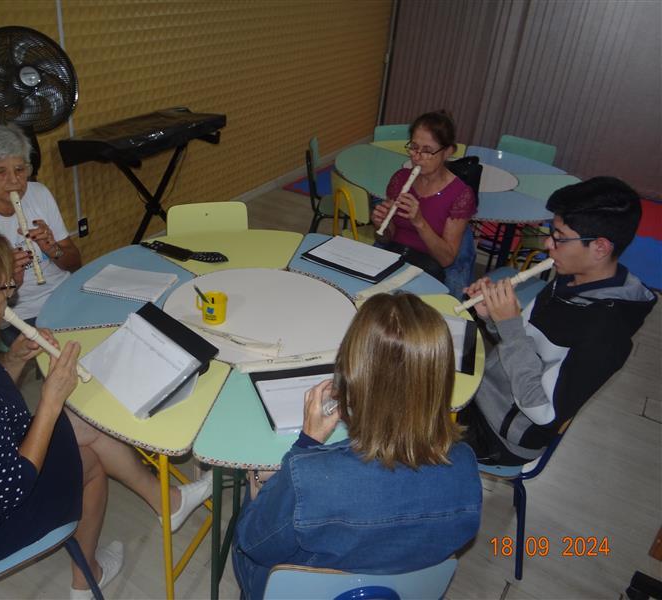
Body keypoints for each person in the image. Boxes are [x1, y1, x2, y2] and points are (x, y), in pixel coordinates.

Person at [0, 230, 213, 599]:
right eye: (2, 287)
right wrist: (51, 401)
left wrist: (14, 360)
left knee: (85, 423)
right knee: (90, 464)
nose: (10, 293)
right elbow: (14, 485)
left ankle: (168, 503)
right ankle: (86, 578)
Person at [232, 293, 482, 600]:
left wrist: (295, 454)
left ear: (351, 378)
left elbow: (253, 544)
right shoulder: (466, 467)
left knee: (248, 515)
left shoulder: (309, 477)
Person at [459, 176, 657, 466]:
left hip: (502, 435)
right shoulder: (570, 279)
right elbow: (524, 347)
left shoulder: (606, 332)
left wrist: (510, 327)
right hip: (483, 394)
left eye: (559, 237)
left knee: (398, 416)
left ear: (600, 247)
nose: (548, 243)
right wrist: (493, 318)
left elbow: (542, 411)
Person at [0, 124, 81, 341]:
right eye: (0, 172)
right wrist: (12, 280)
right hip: (19, 316)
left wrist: (54, 250)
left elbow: (75, 263)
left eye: (20, 170)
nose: (14, 181)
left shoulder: (40, 194)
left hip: (65, 295)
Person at [371, 110, 476, 292]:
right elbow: (385, 238)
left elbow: (446, 259)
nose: (417, 156)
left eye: (427, 151)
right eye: (413, 147)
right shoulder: (400, 178)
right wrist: (382, 225)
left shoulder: (461, 195)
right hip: (393, 257)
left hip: (428, 270)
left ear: (448, 152)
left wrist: (419, 222)